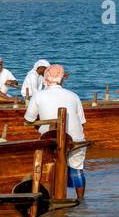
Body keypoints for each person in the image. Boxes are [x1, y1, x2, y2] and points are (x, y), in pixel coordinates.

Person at [24, 64, 89, 201]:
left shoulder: (38, 96)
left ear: (45, 79)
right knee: (77, 168)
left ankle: (50, 196)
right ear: (62, 79)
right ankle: (81, 200)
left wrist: (39, 126)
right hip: (75, 141)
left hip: (51, 140)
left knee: (49, 168)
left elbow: (28, 120)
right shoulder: (74, 96)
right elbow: (82, 122)